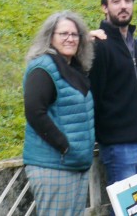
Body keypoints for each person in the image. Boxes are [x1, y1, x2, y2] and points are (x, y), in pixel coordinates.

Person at [22, 11, 95, 215]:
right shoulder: (43, 68)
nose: (70, 38)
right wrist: (64, 146)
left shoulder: (74, 68)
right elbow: (35, 112)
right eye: (63, 33)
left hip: (74, 164)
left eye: (75, 34)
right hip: (54, 166)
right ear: (50, 37)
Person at [89, 0, 137, 185]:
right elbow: (94, 95)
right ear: (105, 8)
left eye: (127, 0)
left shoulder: (134, 43)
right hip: (120, 145)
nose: (123, 6)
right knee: (124, 208)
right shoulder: (100, 46)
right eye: (116, 1)